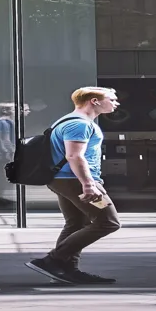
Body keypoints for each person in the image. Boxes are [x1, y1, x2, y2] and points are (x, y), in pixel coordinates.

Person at [25, 87, 121, 286]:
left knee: (76, 223)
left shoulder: (68, 120)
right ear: (94, 101)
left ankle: (67, 270)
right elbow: (74, 156)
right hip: (75, 180)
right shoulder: (79, 124)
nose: (116, 102)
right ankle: (52, 260)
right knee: (108, 222)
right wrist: (88, 185)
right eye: (111, 99)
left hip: (65, 179)